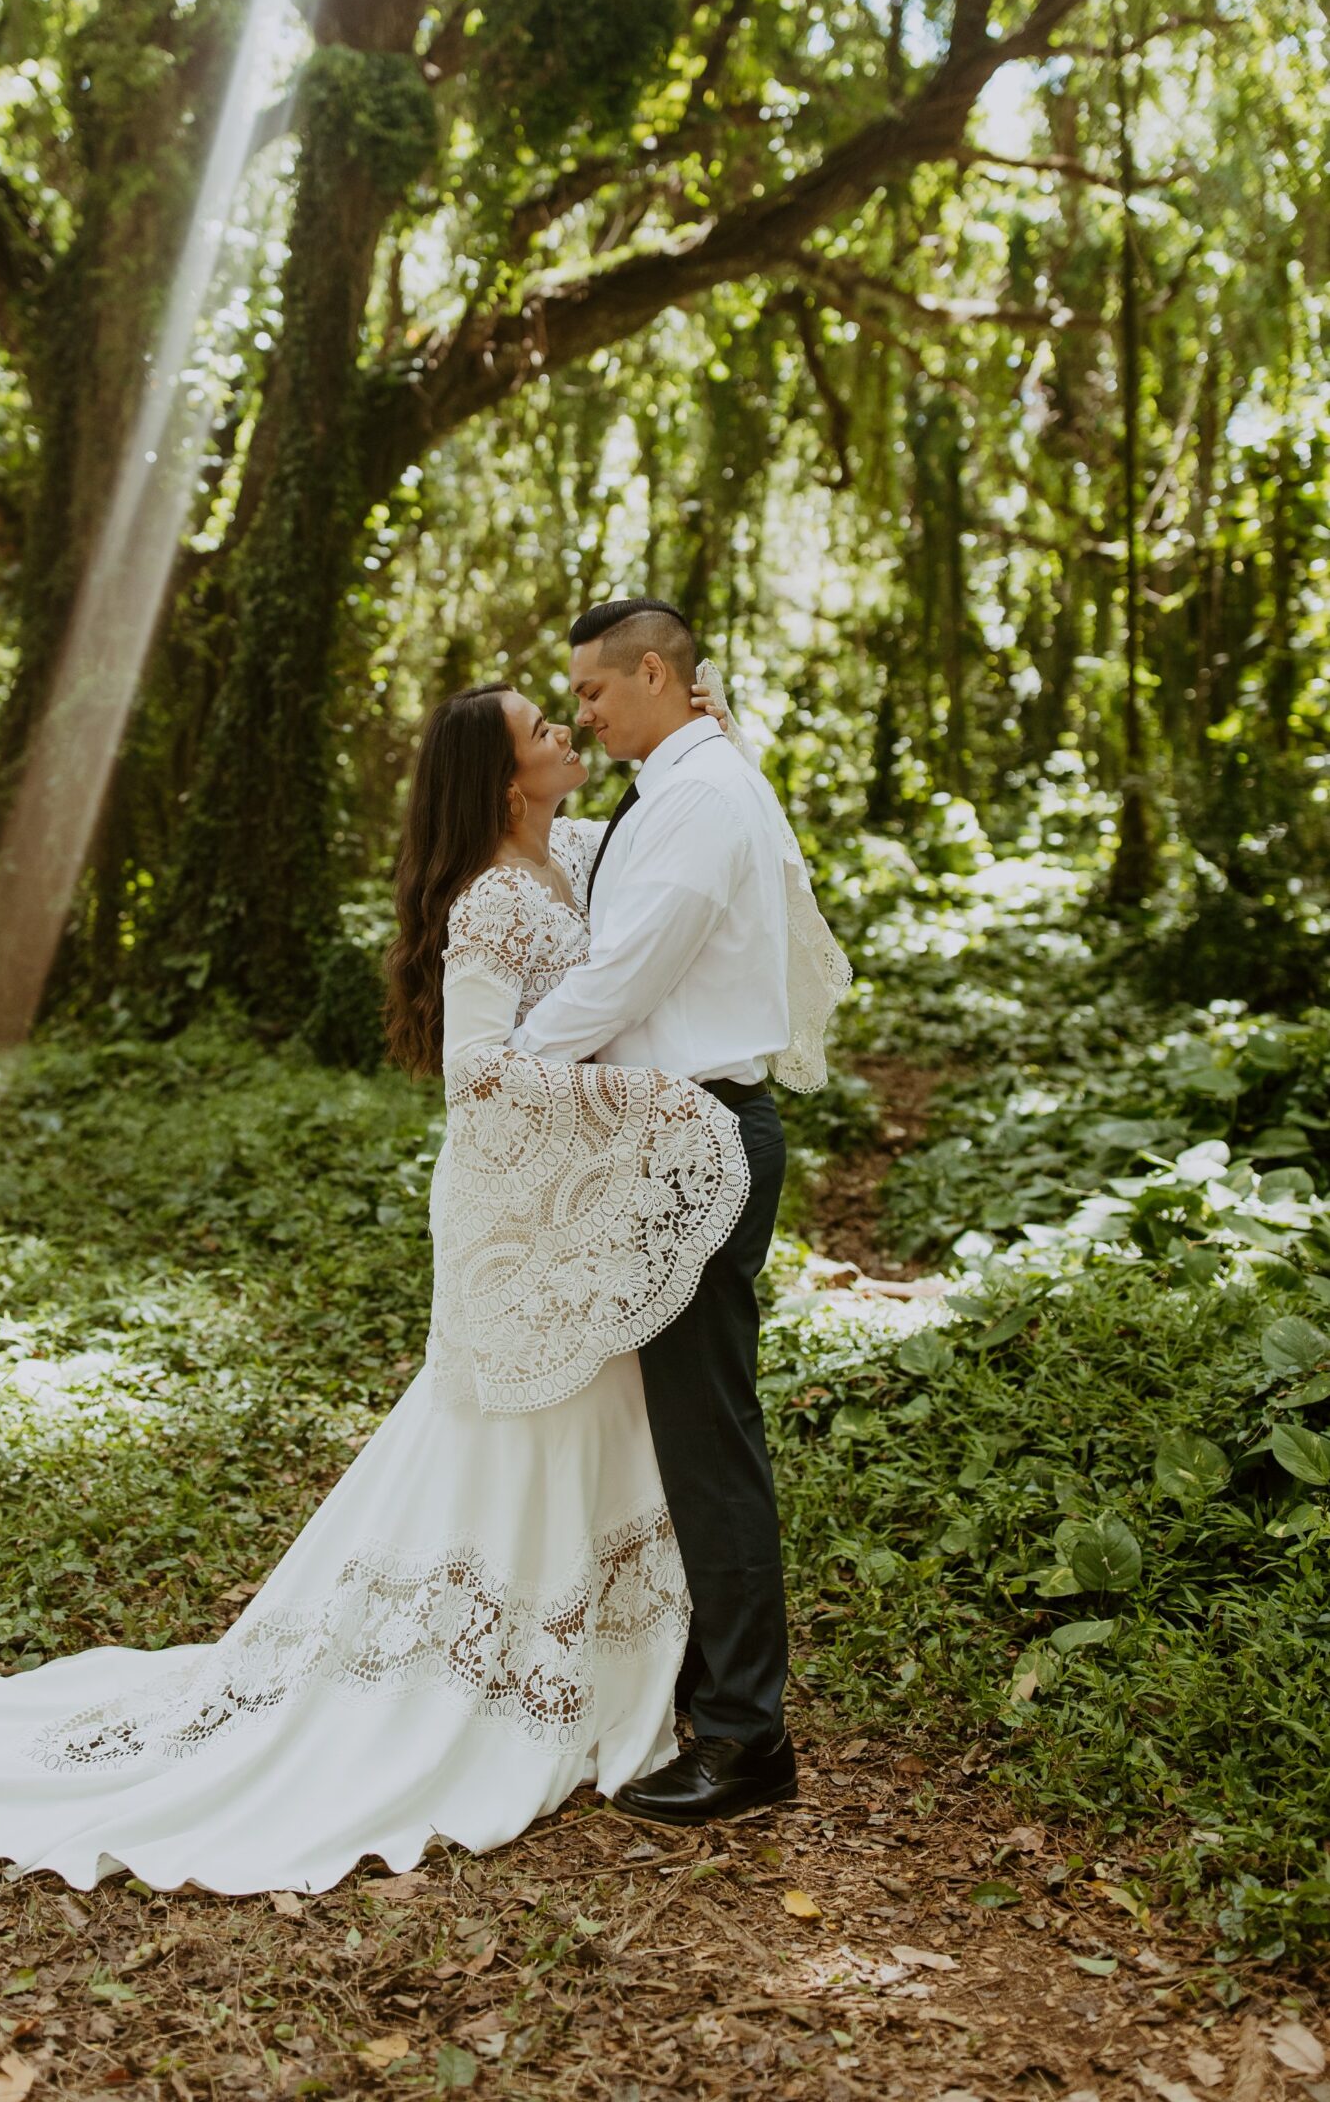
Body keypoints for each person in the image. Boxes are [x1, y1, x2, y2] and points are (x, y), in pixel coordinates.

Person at [0, 638, 845, 1894]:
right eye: (548, 718)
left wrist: (704, 727)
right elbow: (486, 1069)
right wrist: (648, 1104)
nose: (570, 724)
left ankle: (643, 1681)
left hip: (602, 1197)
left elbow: (664, 884)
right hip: (542, 1205)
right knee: (536, 1438)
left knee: (636, 1432)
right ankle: (551, 1689)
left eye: (581, 698)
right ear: (502, 776)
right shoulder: (493, 900)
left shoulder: (589, 849)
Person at [511, 598, 850, 1823]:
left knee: (709, 1442)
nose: (584, 715)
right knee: (679, 1433)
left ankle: (751, 1740)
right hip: (668, 1130)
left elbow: (628, 966)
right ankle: (699, 1685)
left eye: (594, 693)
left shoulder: (703, 796)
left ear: (654, 673)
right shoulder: (686, 777)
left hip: (701, 1135)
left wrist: (510, 1070)